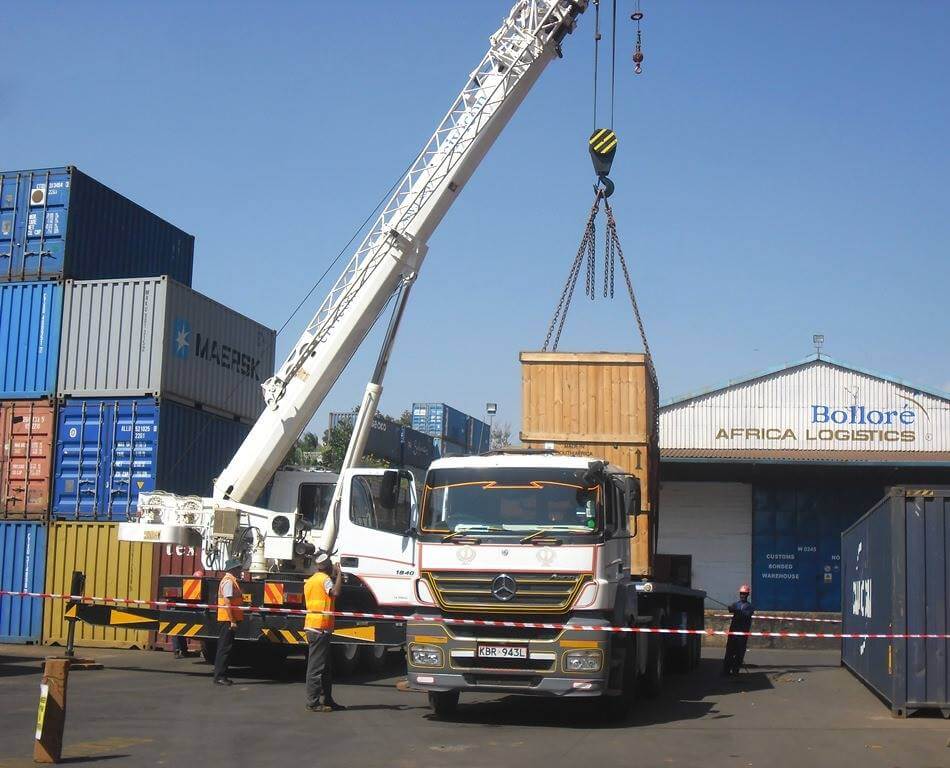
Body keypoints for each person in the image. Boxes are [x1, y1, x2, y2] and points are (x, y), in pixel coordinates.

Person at [304, 553, 345, 712]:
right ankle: (313, 702)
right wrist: (339, 575)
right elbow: (335, 593)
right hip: (320, 628)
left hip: (314, 626)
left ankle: (327, 699)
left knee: (325, 667)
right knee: (316, 668)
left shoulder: (311, 580)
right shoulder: (324, 579)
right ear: (328, 567)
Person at [213, 559, 244, 686]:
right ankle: (220, 676)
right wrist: (232, 621)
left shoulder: (231, 581)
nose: (240, 571)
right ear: (232, 569)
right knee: (224, 648)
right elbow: (227, 602)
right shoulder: (228, 582)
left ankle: (220, 675)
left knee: (225, 647)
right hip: (227, 619)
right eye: (238, 568)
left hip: (228, 619)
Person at [723, 585, 754, 677]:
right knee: (729, 652)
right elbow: (731, 609)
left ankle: (735, 671)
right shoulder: (735, 604)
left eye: (744, 594)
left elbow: (747, 614)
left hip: (742, 634)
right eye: (741, 593)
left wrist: (736, 611)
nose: (742, 595)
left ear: (747, 594)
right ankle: (726, 671)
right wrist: (731, 608)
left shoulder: (750, 606)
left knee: (739, 653)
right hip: (733, 633)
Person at [173, 569, 205, 659]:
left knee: (177, 627)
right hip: (190, 610)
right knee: (177, 626)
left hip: (194, 610)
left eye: (199, 579)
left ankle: (180, 650)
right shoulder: (189, 587)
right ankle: (179, 650)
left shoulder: (187, 586)